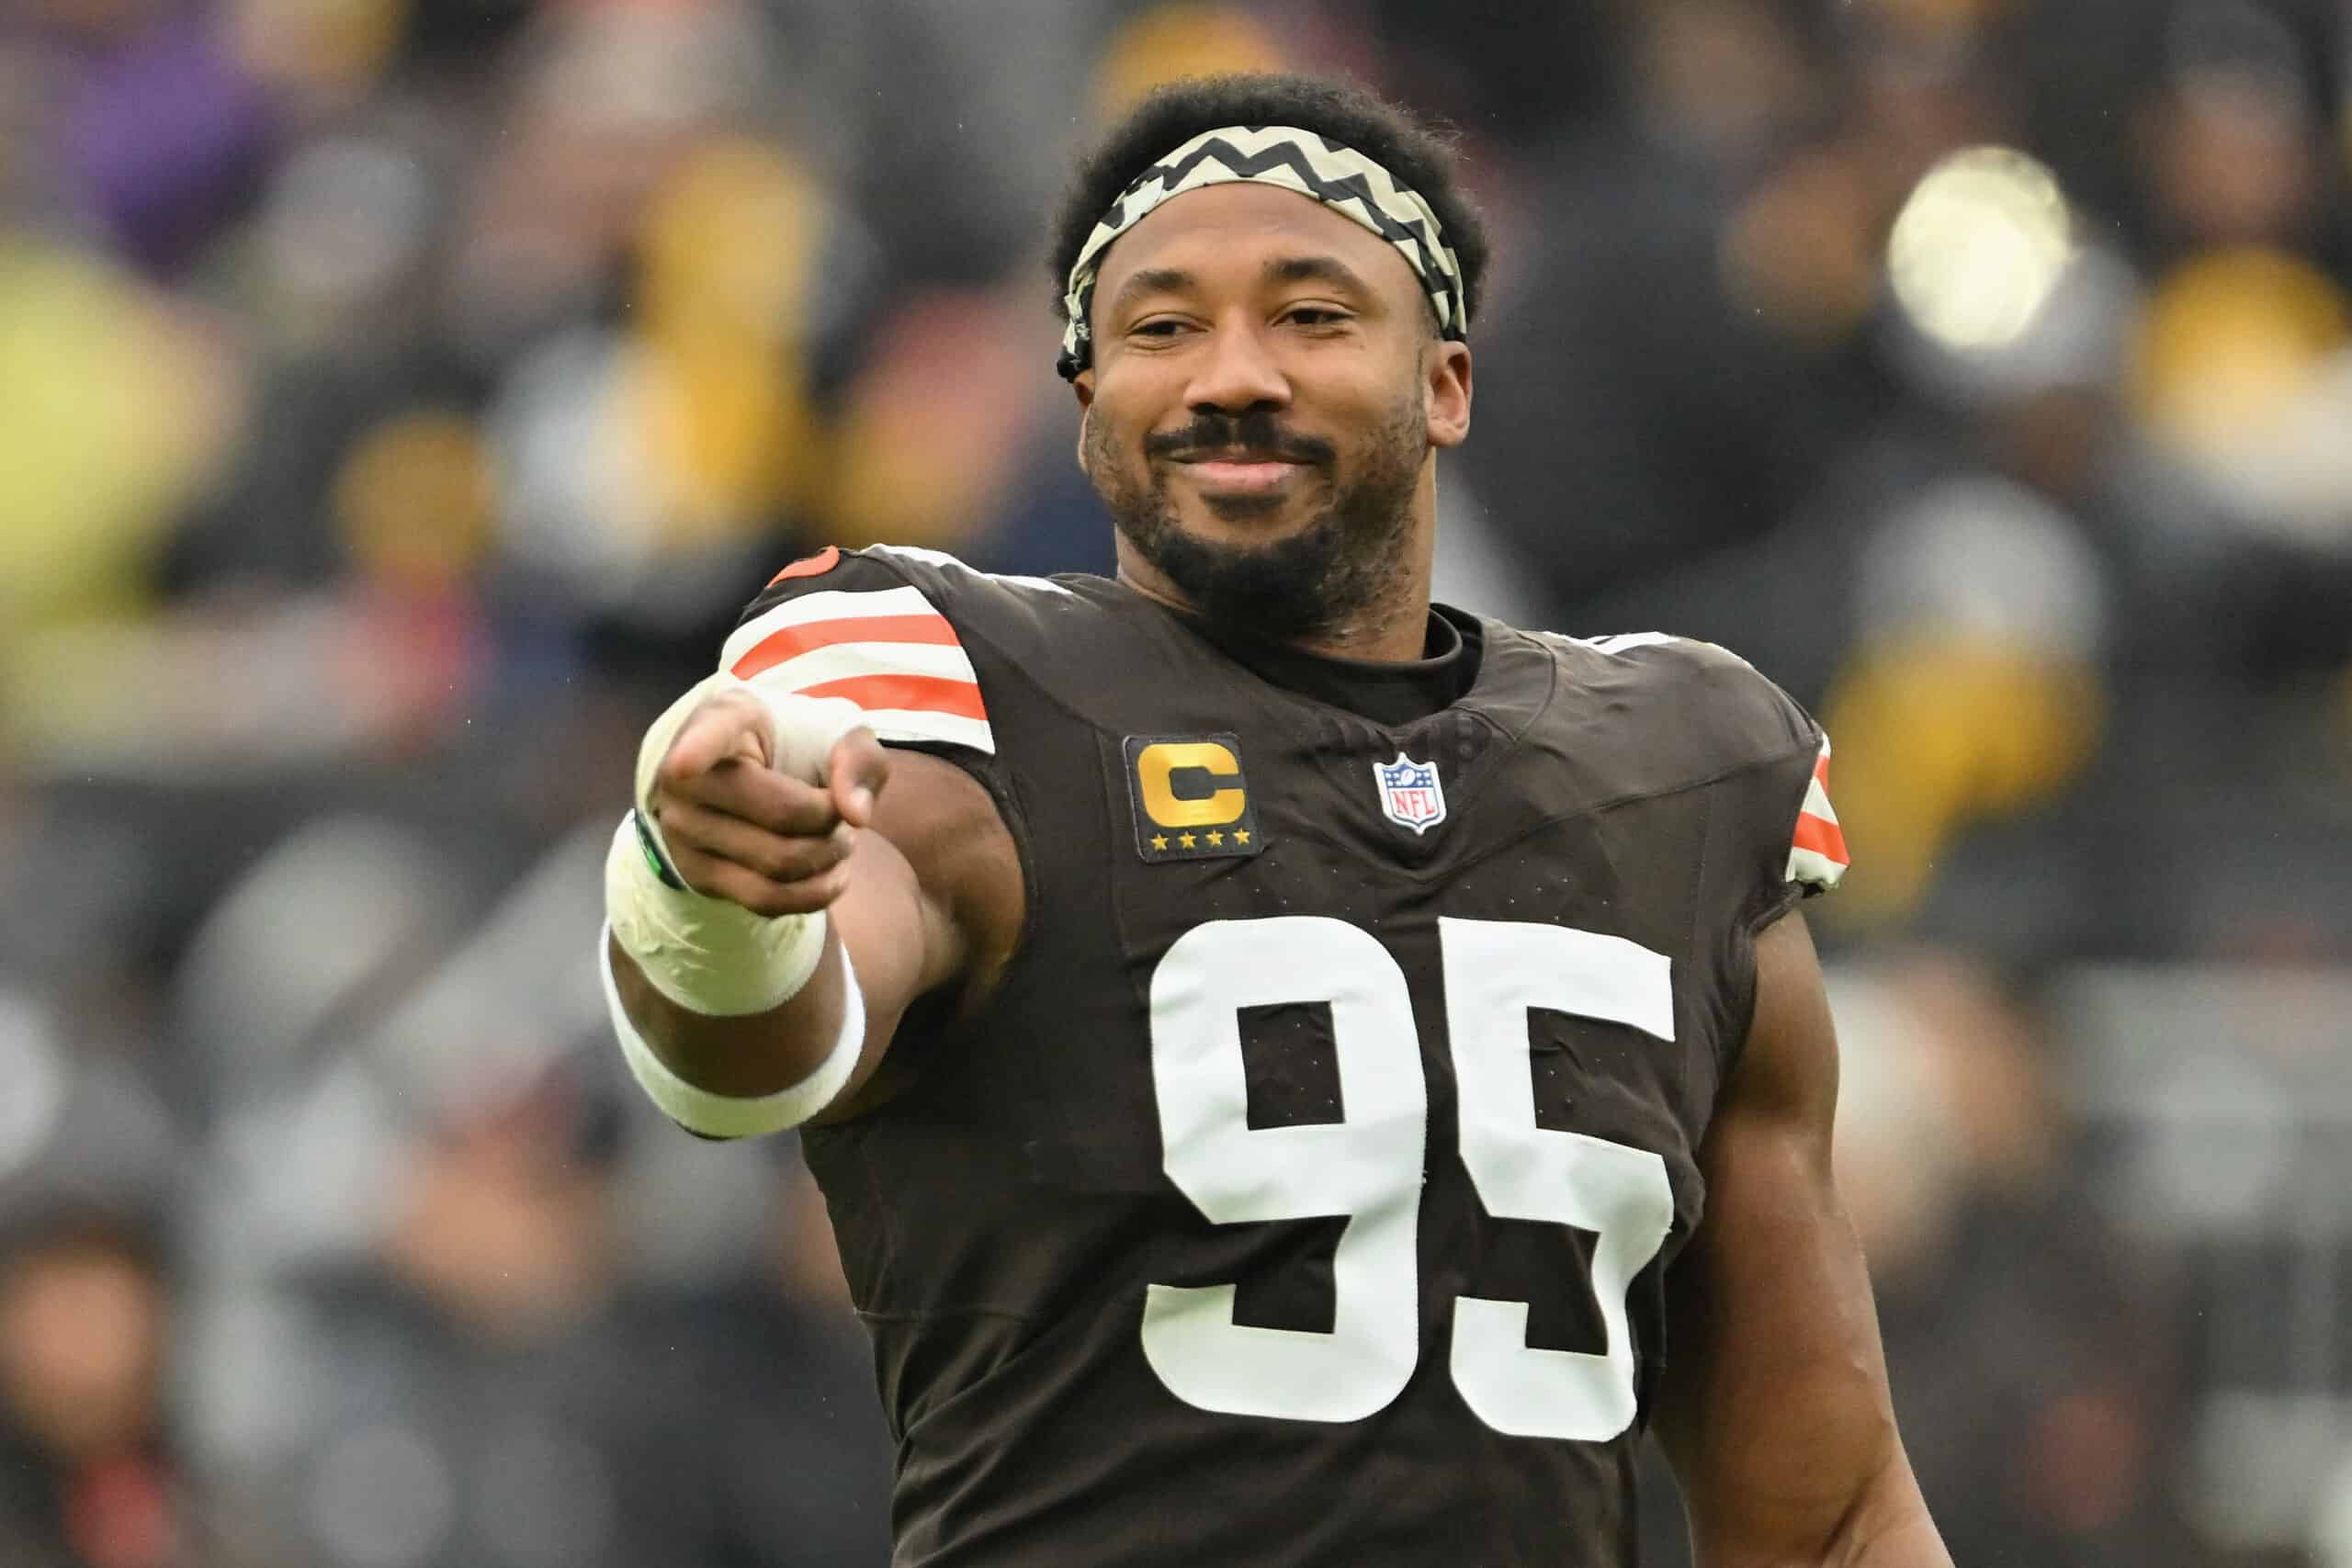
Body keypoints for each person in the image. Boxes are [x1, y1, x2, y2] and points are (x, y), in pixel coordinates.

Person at [600, 72, 1952, 1568]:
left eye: (1310, 316)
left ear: (1445, 382)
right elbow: (757, 1051)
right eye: (1162, 326)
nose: (1231, 375)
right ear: (1087, 405)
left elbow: (1824, 1519)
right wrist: (712, 896)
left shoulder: (1685, 769)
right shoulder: (958, 691)